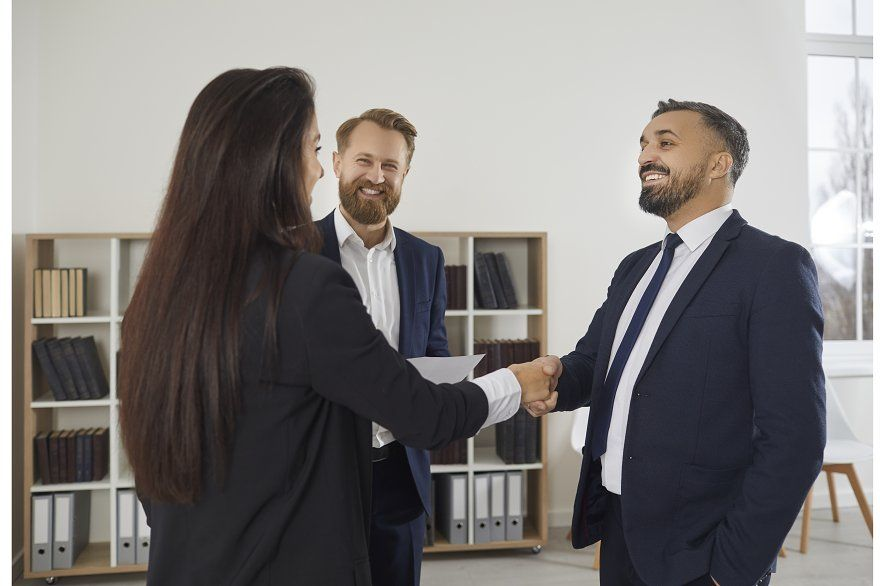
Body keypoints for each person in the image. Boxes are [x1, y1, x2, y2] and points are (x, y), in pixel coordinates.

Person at [117, 67, 556, 586]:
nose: (317, 171)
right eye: (312, 148)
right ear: (270, 160)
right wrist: (517, 381)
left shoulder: (163, 285)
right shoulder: (304, 283)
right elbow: (422, 412)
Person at [527, 100, 825, 585]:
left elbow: (796, 439)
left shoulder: (773, 267)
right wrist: (555, 379)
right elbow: (596, 362)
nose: (646, 155)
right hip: (619, 528)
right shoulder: (635, 267)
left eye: (665, 142)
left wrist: (731, 570)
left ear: (718, 163)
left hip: (702, 549)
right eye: (643, 145)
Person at [315, 108, 443, 585]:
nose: (376, 176)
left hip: (399, 473)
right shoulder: (295, 251)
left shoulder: (425, 259)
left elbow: (433, 352)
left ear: (404, 173)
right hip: (320, 475)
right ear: (337, 163)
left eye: (390, 165)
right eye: (363, 161)